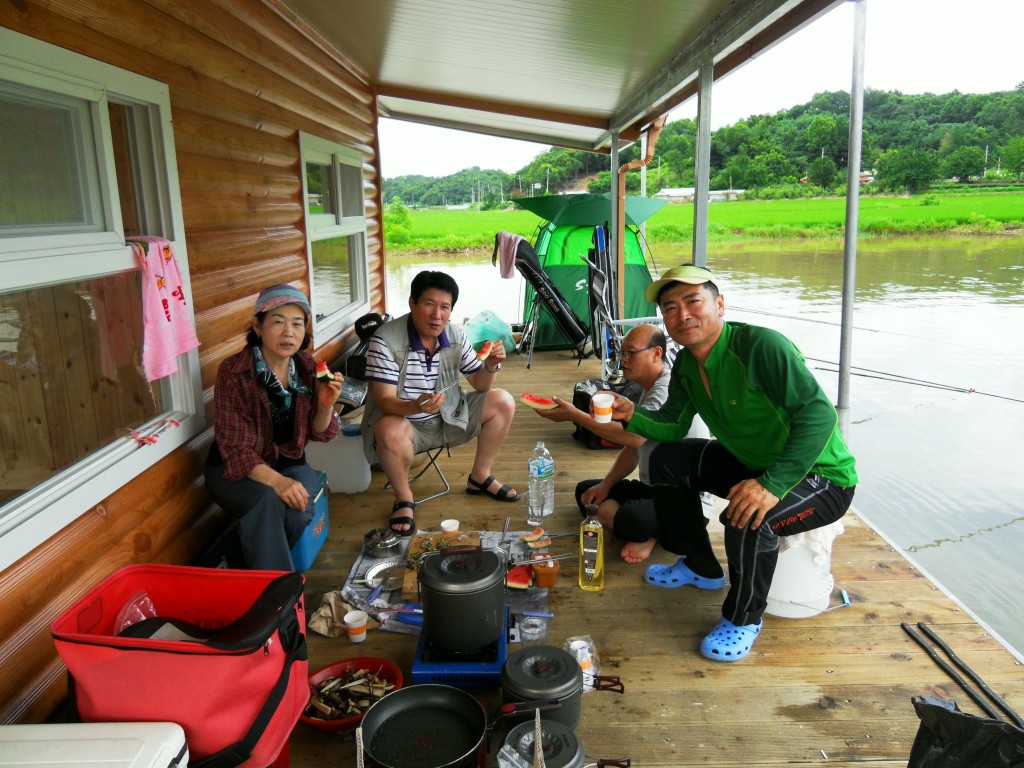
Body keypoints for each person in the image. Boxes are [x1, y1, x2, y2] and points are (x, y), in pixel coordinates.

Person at [610, 264, 858, 662]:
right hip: (751, 463)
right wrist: (631, 414)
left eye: (693, 301)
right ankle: (701, 565)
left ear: (720, 305)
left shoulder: (762, 346)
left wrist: (772, 484)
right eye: (670, 308)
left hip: (820, 476)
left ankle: (743, 618)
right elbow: (673, 425)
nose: (682, 315)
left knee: (747, 515)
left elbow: (818, 414)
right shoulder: (686, 364)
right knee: (666, 459)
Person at [532, 324, 710, 563]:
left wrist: (576, 415)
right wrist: (605, 486)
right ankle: (635, 526)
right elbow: (634, 448)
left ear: (656, 353)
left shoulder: (666, 389)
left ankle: (648, 535)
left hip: (687, 503)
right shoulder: (648, 387)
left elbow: (634, 437)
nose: (623, 359)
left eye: (631, 353)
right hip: (655, 488)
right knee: (586, 492)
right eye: (621, 352)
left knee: (630, 518)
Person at [362, 270, 518, 535]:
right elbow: (386, 402)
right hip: (407, 427)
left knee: (503, 400)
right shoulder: (384, 340)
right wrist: (416, 406)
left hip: (450, 417)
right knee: (388, 428)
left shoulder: (455, 335)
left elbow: (480, 385)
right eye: (429, 304)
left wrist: (491, 365)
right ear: (412, 303)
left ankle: (480, 477)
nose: (437, 315)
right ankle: (403, 498)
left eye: (445, 307)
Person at [204, 284, 342, 570]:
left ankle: (243, 561)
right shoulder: (234, 372)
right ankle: (280, 591)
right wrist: (278, 482)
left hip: (290, 464)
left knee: (297, 513)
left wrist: (326, 406)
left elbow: (320, 432)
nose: (288, 332)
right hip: (234, 470)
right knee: (267, 501)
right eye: (278, 322)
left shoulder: (308, 367)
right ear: (258, 326)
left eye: (297, 323)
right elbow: (236, 449)